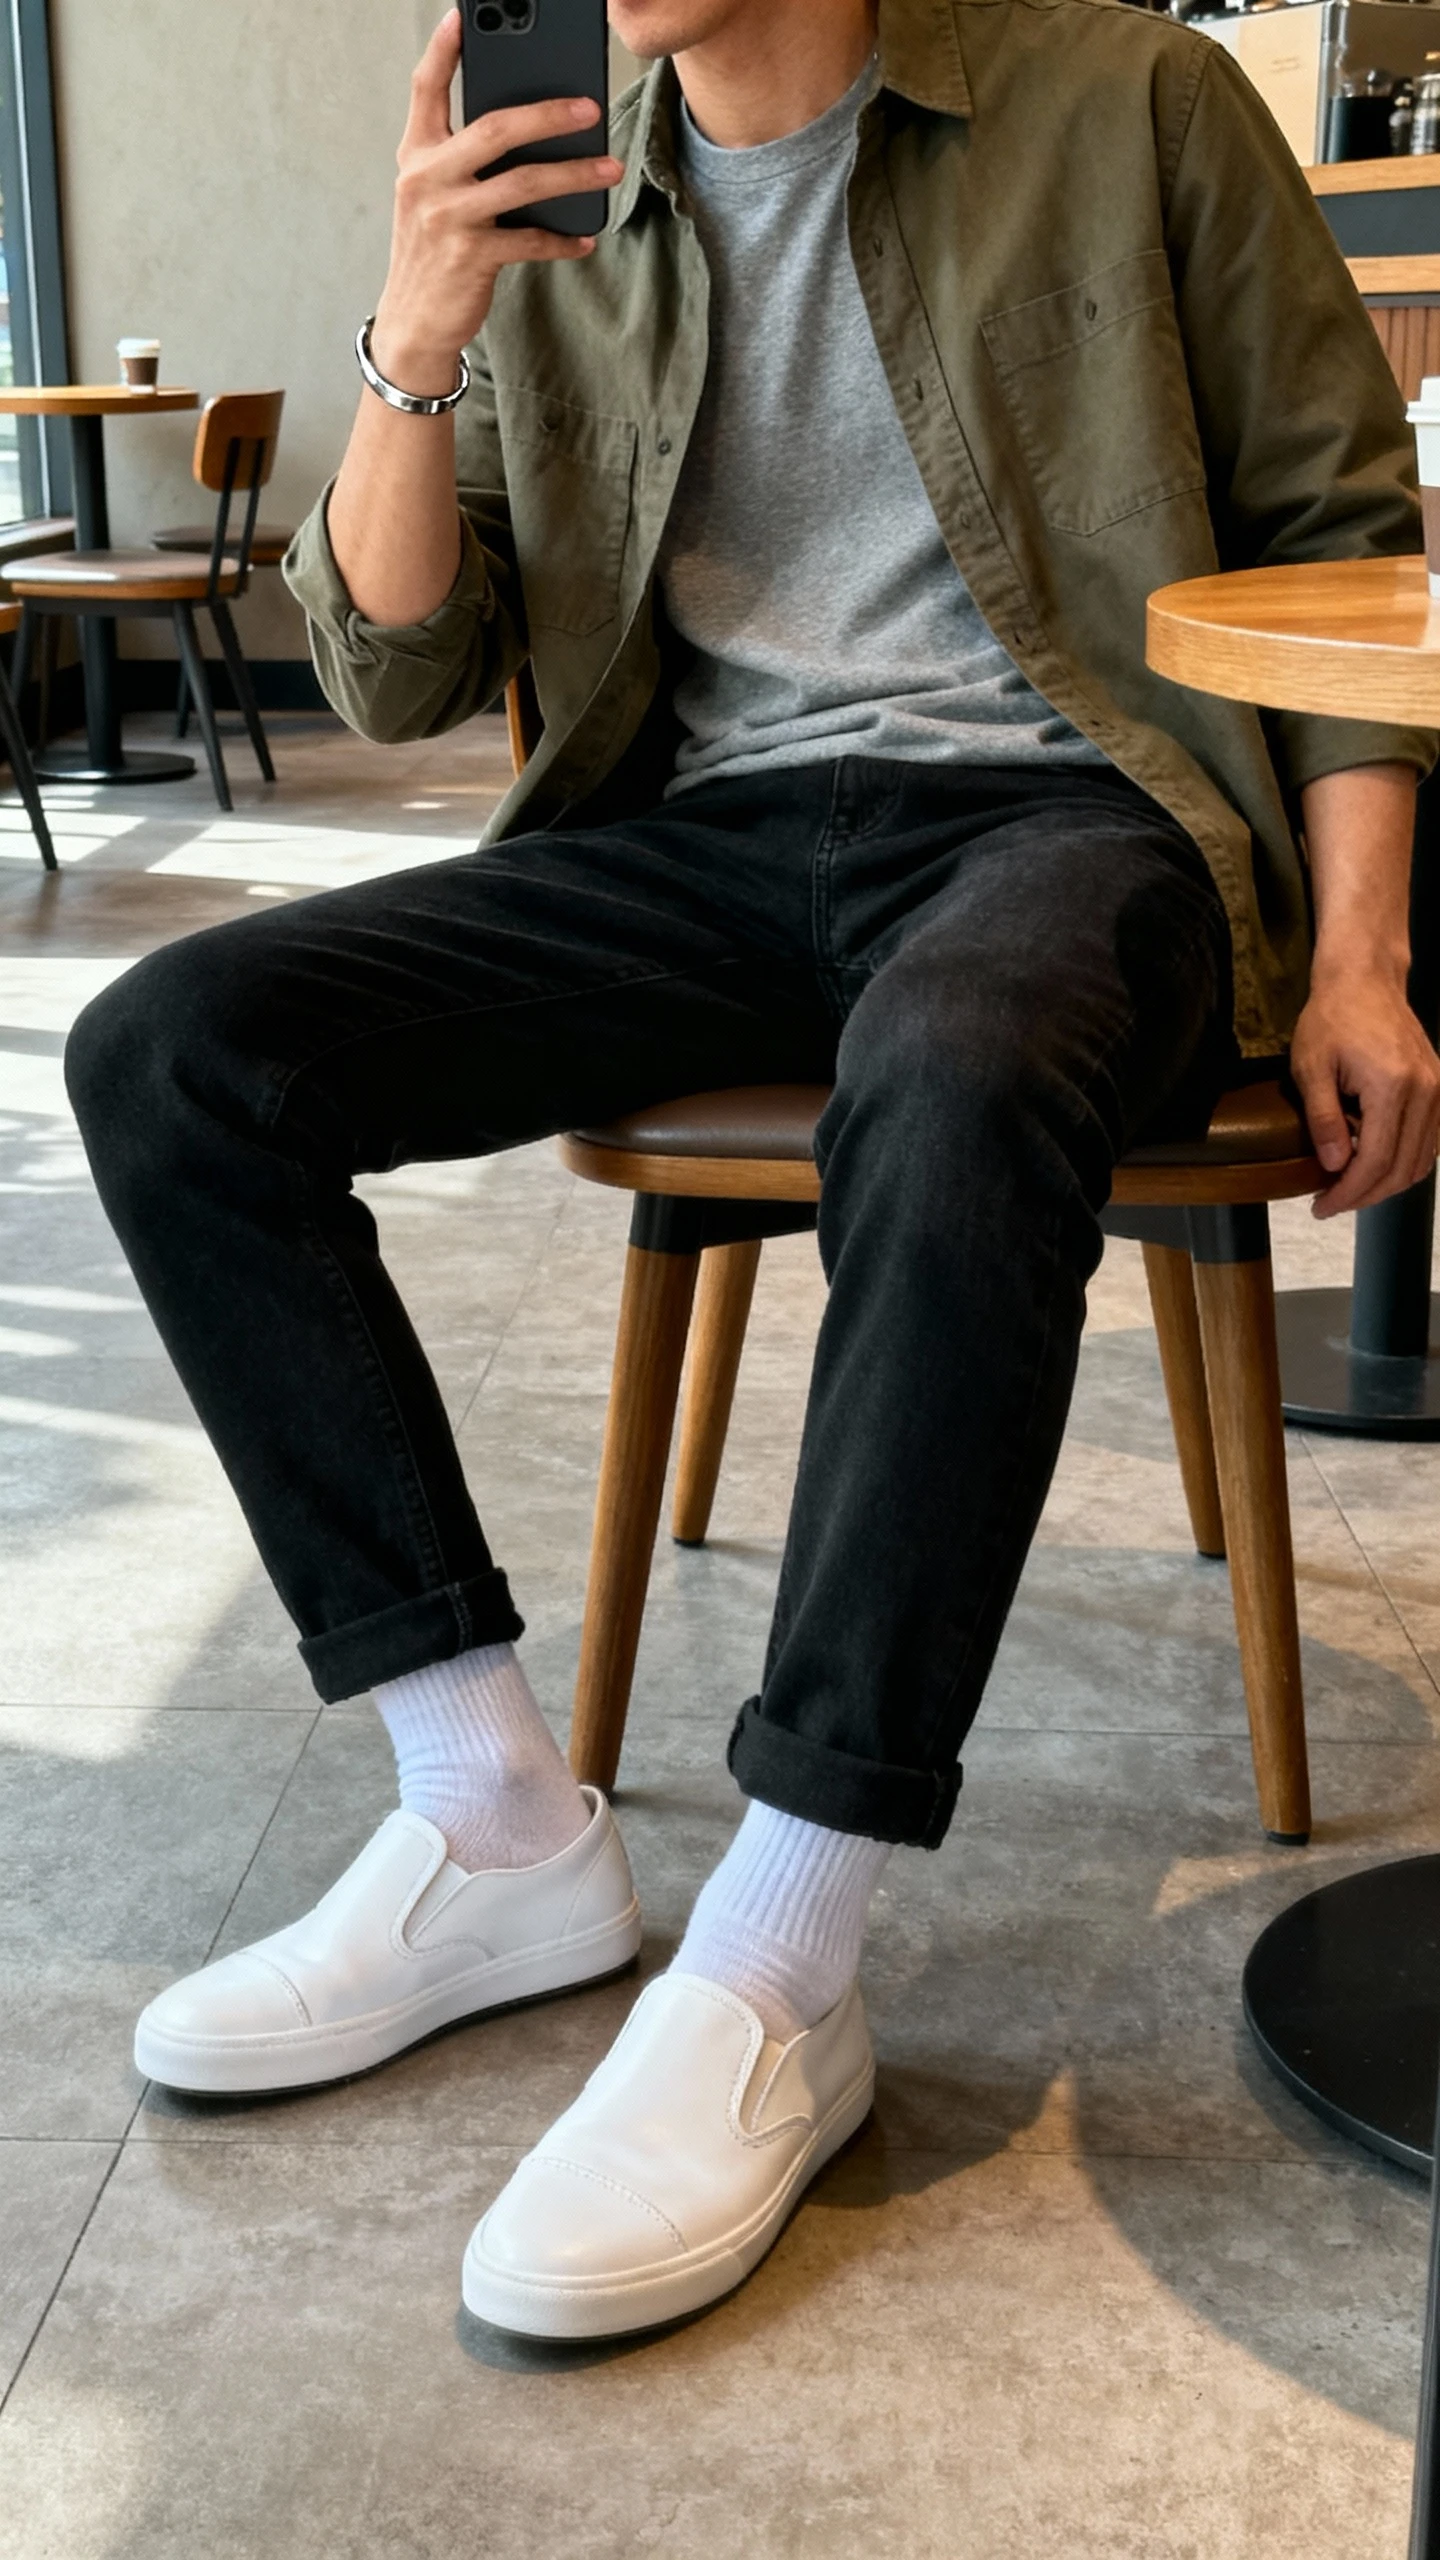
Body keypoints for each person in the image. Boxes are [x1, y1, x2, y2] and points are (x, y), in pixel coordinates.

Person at [67, 0, 1440, 2342]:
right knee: (179, 1047)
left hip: (1067, 820)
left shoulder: (1124, 99)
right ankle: (497, 1820)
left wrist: (1366, 956)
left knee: (960, 1052)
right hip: (701, 843)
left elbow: (1341, 533)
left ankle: (790, 1944)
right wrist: (414, 340)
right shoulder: (564, 189)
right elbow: (399, 675)